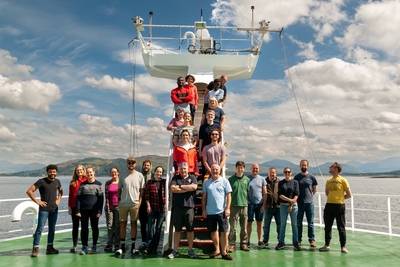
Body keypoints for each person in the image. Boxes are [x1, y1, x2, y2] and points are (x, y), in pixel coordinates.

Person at [27, 164, 63, 257]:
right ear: (47, 172)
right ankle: (35, 249)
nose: (52, 173)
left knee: (52, 229)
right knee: (39, 229)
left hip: (54, 209)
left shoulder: (57, 182)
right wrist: (37, 202)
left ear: (56, 172)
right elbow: (29, 191)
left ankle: (50, 248)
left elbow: (60, 191)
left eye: (54, 172)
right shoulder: (41, 181)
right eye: (50, 171)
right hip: (44, 210)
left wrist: (58, 199)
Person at [319, 162, 352, 254]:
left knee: (341, 227)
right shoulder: (328, 181)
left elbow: (349, 194)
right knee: (327, 226)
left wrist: (341, 198)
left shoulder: (343, 180)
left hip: (339, 206)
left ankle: (343, 246)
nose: (329, 168)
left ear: (336, 169)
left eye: (331, 167)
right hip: (329, 205)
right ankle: (327, 245)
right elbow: (327, 193)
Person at [115, 157, 145, 255]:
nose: (131, 164)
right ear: (126, 164)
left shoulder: (140, 176)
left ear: (135, 164)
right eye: (129, 163)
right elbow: (119, 189)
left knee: (134, 224)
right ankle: (122, 246)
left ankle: (133, 246)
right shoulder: (122, 175)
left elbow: (142, 191)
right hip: (123, 204)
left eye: (133, 163)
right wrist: (119, 200)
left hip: (134, 204)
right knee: (122, 224)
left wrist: (139, 202)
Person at [202, 164, 233, 261]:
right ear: (210, 170)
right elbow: (204, 198)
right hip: (210, 211)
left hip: (221, 211)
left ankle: (224, 252)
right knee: (213, 231)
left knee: (224, 232)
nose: (215, 171)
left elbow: (229, 196)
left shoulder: (225, 181)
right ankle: (217, 250)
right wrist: (203, 210)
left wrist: (227, 208)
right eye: (213, 169)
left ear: (219, 170)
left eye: (216, 169)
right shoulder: (206, 183)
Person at [168, 162, 198, 259]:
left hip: (189, 208)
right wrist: (187, 189)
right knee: (177, 230)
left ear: (188, 169)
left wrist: (179, 187)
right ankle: (175, 250)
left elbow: (194, 187)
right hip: (178, 207)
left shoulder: (192, 177)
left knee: (190, 229)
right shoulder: (175, 178)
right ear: (179, 170)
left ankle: (190, 250)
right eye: (181, 169)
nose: (183, 171)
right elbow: (172, 188)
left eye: (185, 169)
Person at [76, 167, 104, 255]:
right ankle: (84, 246)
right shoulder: (82, 185)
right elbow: (78, 198)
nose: (89, 174)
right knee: (84, 228)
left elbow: (101, 199)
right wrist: (77, 210)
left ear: (94, 172)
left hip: (94, 210)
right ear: (86, 174)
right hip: (84, 210)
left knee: (94, 228)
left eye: (90, 172)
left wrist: (99, 211)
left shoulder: (99, 184)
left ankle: (94, 246)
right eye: (87, 173)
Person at [294, 159, 318, 247]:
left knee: (310, 223)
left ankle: (311, 240)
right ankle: (299, 239)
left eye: (305, 165)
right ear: (300, 166)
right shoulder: (296, 177)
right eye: (302, 165)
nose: (303, 167)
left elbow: (315, 189)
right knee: (299, 223)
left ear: (307, 166)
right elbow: (294, 189)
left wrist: (310, 196)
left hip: (310, 204)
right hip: (299, 203)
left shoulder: (312, 177)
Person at [228, 161, 250, 252]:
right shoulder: (230, 180)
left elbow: (248, 192)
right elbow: (228, 194)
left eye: (241, 168)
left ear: (244, 169)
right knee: (233, 227)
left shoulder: (247, 180)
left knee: (244, 227)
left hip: (244, 206)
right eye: (238, 167)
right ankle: (232, 245)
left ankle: (243, 244)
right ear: (236, 168)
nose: (240, 169)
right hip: (233, 206)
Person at [276, 167, 300, 251]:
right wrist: (290, 200)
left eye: (288, 172)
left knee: (294, 224)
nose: (287, 173)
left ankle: (295, 242)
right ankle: (281, 242)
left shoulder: (295, 182)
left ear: (291, 173)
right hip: (283, 205)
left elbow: (297, 194)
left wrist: (291, 204)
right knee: (283, 225)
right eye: (285, 172)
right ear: (283, 173)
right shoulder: (281, 183)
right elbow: (280, 194)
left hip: (293, 206)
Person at [144, 166, 166, 254]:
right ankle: (149, 246)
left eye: (160, 172)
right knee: (150, 229)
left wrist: (166, 205)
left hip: (162, 209)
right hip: (152, 208)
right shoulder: (149, 182)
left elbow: (168, 196)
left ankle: (154, 248)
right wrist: (148, 206)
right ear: (154, 172)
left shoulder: (165, 182)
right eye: (157, 171)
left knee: (158, 229)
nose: (159, 173)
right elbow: (147, 196)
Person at [68, 165, 87, 252]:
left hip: (84, 207)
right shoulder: (73, 182)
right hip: (74, 206)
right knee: (75, 226)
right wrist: (69, 206)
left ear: (83, 170)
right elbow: (71, 195)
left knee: (84, 226)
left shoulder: (87, 180)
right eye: (77, 170)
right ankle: (74, 245)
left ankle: (85, 245)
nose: (79, 171)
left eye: (80, 170)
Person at [247, 163, 267, 248]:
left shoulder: (262, 179)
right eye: (254, 168)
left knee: (259, 222)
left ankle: (259, 240)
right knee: (249, 222)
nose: (255, 169)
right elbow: (244, 190)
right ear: (251, 168)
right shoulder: (247, 178)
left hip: (259, 204)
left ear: (259, 169)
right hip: (250, 204)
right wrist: (246, 199)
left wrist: (264, 205)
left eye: (257, 168)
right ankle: (247, 240)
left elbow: (265, 193)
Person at [263, 167, 281, 246]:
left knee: (279, 225)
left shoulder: (280, 182)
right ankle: (265, 240)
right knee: (266, 225)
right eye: (270, 172)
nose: (272, 174)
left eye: (273, 172)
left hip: (278, 207)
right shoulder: (264, 182)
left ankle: (280, 240)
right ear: (268, 173)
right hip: (268, 207)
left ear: (276, 173)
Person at [104, 167, 120, 252]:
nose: (113, 173)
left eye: (115, 172)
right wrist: (106, 205)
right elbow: (106, 196)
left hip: (119, 206)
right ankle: (109, 243)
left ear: (118, 173)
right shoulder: (108, 183)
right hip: (109, 206)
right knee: (110, 225)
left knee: (117, 225)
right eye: (112, 172)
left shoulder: (121, 182)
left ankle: (117, 243)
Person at [138, 160, 152, 251]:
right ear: (142, 166)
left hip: (151, 204)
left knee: (150, 224)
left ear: (150, 166)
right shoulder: (139, 176)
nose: (146, 166)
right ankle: (143, 242)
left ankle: (150, 242)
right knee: (143, 223)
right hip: (141, 203)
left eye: (148, 165)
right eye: (144, 165)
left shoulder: (153, 176)